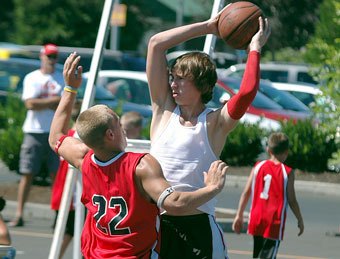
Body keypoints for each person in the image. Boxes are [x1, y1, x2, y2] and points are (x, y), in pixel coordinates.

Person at [48, 52, 228, 258]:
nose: (123, 127)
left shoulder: (84, 160)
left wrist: (70, 88)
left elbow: (56, 138)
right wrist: (212, 188)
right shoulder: (140, 165)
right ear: (110, 134)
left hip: (96, 253)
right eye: (117, 122)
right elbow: (174, 203)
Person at [146, 7, 270, 258]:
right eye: (172, 77)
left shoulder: (214, 123)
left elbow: (246, 93)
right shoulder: (163, 111)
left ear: (202, 85)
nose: (173, 83)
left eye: (181, 78)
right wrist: (209, 26)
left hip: (198, 229)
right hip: (158, 226)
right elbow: (156, 44)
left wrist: (254, 48)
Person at [10, 43, 63, 227]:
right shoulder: (32, 78)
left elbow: (68, 104)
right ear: (42, 56)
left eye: (54, 56)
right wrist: (55, 101)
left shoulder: (61, 78)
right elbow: (30, 104)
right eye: (49, 56)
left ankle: (59, 216)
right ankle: (19, 214)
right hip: (34, 131)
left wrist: (46, 102)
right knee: (27, 173)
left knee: (57, 175)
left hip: (56, 132)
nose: (51, 59)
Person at [232, 132, 304, 259]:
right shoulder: (287, 172)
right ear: (286, 152)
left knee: (258, 254)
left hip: (257, 218)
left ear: (268, 150)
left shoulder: (258, 167)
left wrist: (239, 214)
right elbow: (292, 200)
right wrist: (299, 218)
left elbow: (246, 192)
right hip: (273, 221)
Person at [50, 101, 81, 259]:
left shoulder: (68, 136)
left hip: (65, 191)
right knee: (68, 230)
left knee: (71, 230)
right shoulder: (74, 139)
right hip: (70, 193)